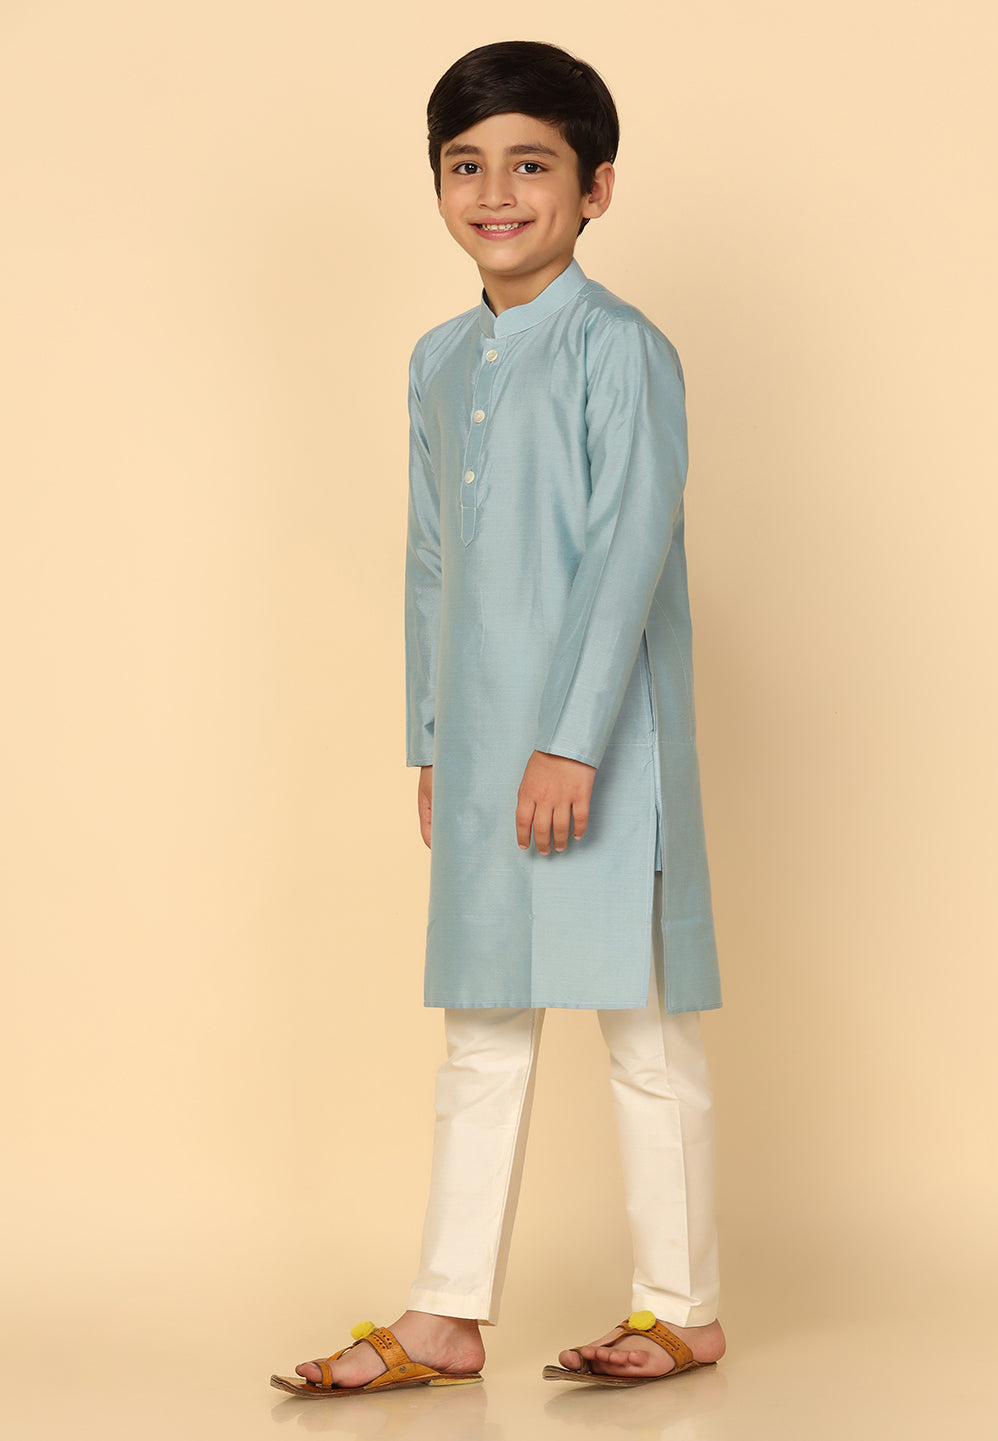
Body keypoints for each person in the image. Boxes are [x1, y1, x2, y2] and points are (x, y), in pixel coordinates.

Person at [270, 39, 726, 1398]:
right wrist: (434, 739)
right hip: (482, 747)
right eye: (465, 166)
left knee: (642, 1029)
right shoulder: (437, 359)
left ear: (596, 188)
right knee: (481, 1028)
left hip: (605, 747)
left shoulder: (619, 348)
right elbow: (432, 561)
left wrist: (569, 741)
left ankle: (684, 1309)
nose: (495, 193)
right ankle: (447, 1314)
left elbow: (628, 548)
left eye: (532, 164)